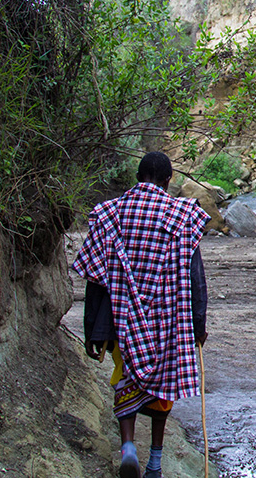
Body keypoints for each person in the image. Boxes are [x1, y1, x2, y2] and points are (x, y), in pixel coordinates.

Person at [73, 152, 209, 478]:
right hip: (166, 319)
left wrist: (92, 327)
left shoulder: (109, 214)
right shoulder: (181, 215)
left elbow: (95, 276)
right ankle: (155, 464)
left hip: (123, 318)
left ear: (137, 176)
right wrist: (198, 323)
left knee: (125, 378)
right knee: (162, 389)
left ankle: (129, 447)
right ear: (168, 180)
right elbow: (195, 277)